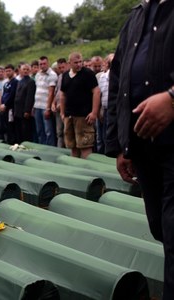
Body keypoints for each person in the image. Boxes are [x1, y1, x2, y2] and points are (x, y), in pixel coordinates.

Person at [106, 1, 174, 297]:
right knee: (160, 226)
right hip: (143, 146)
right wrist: (120, 145)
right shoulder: (137, 16)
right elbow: (117, 80)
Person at [60, 52, 100, 158]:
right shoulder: (65, 75)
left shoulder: (88, 73)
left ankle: (87, 170)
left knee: (85, 145)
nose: (79, 64)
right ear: (69, 63)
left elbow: (96, 92)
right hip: (69, 115)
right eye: (76, 62)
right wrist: (62, 113)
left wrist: (94, 112)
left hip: (84, 116)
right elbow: (63, 95)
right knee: (72, 145)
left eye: (80, 62)